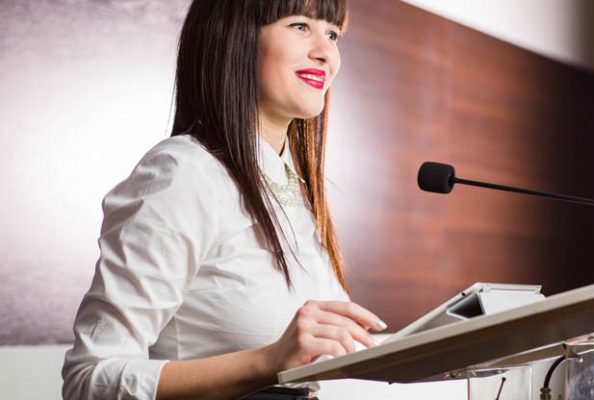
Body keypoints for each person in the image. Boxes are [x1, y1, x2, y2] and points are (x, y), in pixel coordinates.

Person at [61, 1, 386, 399]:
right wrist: (269, 362)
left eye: (333, 34)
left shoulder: (290, 186)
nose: (326, 52)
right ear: (237, 40)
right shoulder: (184, 173)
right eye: (300, 26)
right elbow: (90, 380)